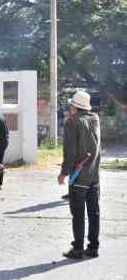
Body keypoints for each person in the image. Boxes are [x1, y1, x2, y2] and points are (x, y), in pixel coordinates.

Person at [58, 91, 101, 259]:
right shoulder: (95, 118)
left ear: (75, 107)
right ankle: (93, 247)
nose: (69, 107)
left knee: (78, 214)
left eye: (71, 105)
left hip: (78, 175)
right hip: (94, 175)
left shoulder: (72, 122)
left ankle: (77, 249)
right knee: (94, 212)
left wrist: (63, 173)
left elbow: (70, 153)